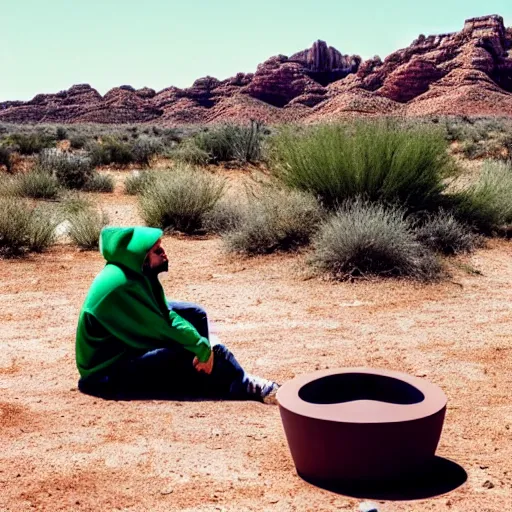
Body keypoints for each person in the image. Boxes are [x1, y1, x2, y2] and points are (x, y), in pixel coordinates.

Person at [76, 226, 279, 404]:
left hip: (124, 349)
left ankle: (204, 373)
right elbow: (166, 324)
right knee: (195, 349)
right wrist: (202, 347)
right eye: (157, 250)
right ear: (141, 256)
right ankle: (242, 383)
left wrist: (199, 345)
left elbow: (163, 311)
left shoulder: (133, 272)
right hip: (107, 374)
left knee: (196, 315)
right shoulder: (121, 285)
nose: (164, 253)